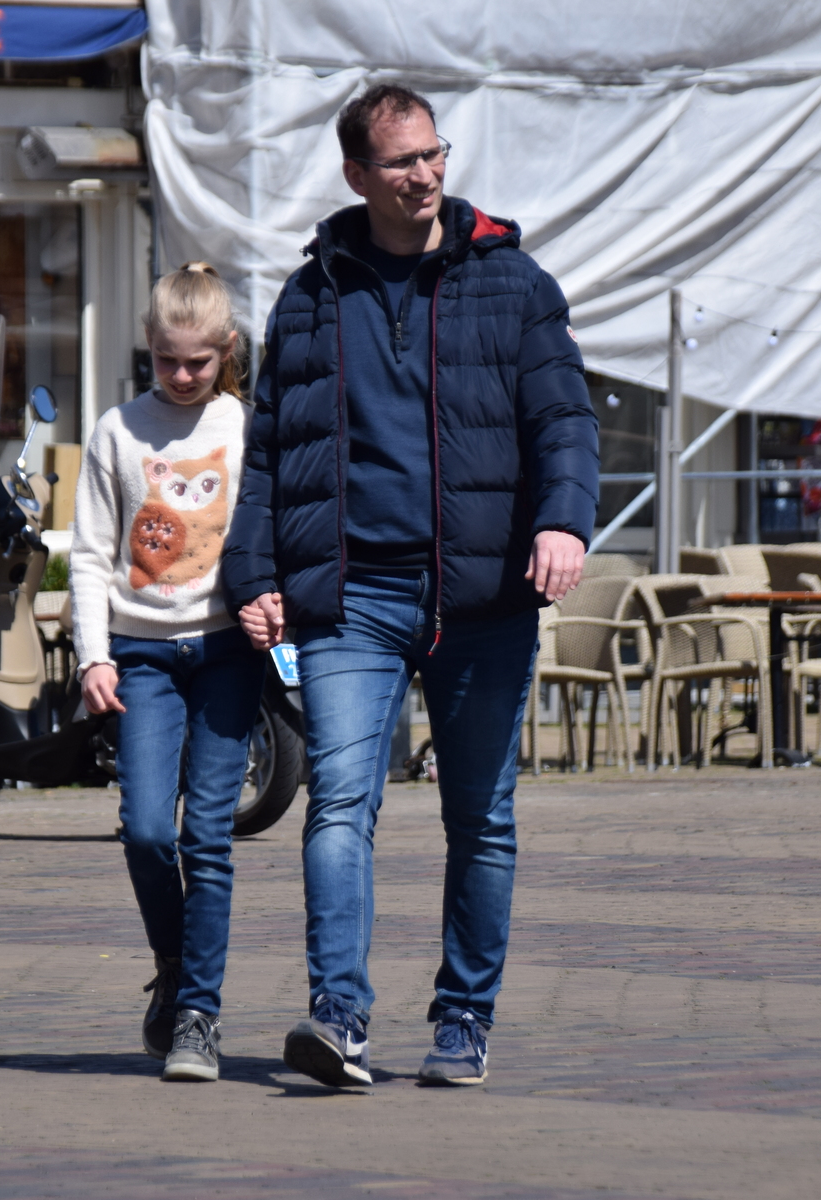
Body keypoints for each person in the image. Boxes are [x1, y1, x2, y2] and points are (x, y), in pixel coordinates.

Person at [222, 84, 599, 1088]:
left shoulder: (513, 283)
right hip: (352, 597)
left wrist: (563, 518)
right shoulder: (310, 295)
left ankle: (464, 1020)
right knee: (339, 802)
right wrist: (253, 572)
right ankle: (339, 1017)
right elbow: (269, 454)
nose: (425, 175)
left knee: (480, 817)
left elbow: (564, 419)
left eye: (434, 154)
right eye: (401, 161)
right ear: (358, 174)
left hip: (482, 595)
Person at [69, 262, 257, 1083]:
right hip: (141, 655)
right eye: (167, 361)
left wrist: (272, 605)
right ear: (147, 346)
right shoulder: (118, 431)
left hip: (225, 654)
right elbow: (88, 554)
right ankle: (175, 966)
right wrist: (94, 654)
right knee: (148, 829)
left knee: (208, 836)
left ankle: (197, 1017)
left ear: (227, 351)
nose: (182, 376)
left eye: (198, 362)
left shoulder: (243, 429)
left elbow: (264, 540)